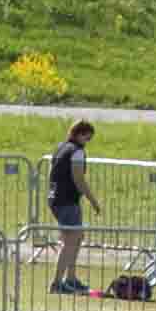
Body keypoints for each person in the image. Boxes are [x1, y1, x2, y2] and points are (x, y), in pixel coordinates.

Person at [45, 120, 97, 295]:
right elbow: (78, 179)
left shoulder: (61, 147)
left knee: (77, 237)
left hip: (56, 199)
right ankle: (57, 283)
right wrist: (93, 200)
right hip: (66, 201)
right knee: (70, 241)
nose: (87, 141)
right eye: (87, 138)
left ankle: (71, 279)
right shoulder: (77, 152)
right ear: (80, 134)